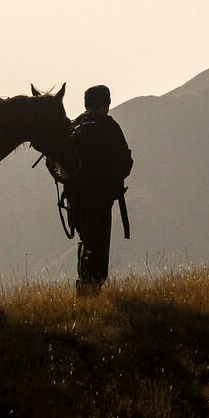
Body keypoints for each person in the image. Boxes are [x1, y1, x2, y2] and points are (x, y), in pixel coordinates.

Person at [67, 84, 133, 294]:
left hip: (76, 197)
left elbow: (57, 161)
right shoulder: (109, 126)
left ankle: (84, 282)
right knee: (99, 241)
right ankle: (94, 284)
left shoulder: (74, 126)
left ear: (86, 103)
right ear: (107, 103)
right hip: (102, 197)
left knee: (86, 238)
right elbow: (126, 161)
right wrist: (113, 180)